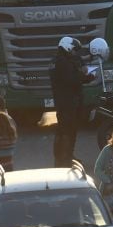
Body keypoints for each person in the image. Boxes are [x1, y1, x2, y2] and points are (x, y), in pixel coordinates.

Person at [49, 36, 94, 167]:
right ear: (67, 47)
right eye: (74, 49)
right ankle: (63, 158)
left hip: (68, 101)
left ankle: (67, 155)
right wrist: (87, 77)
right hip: (67, 102)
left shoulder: (62, 60)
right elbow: (72, 79)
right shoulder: (62, 62)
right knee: (66, 130)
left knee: (69, 129)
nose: (75, 52)